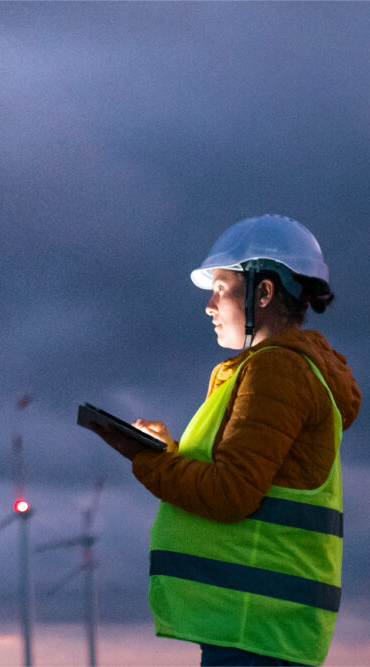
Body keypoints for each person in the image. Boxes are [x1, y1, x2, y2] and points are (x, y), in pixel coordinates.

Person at [91, 214, 361, 666]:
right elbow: (243, 478)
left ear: (264, 291)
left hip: (255, 633)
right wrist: (170, 453)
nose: (210, 305)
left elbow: (231, 492)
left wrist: (147, 458)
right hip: (262, 629)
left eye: (220, 288)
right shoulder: (282, 369)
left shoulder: (277, 369)